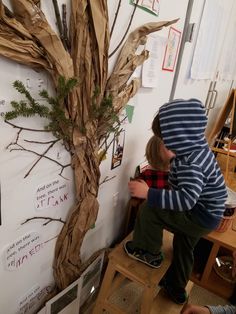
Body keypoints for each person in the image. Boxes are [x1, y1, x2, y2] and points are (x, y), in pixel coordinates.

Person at [124, 98, 228, 304]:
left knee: (150, 209)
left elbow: (186, 200)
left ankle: (148, 252)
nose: (165, 143)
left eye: (165, 139)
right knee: (184, 244)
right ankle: (177, 288)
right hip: (208, 215)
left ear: (179, 137)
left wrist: (149, 193)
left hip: (198, 214)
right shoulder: (197, 147)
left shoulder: (190, 163)